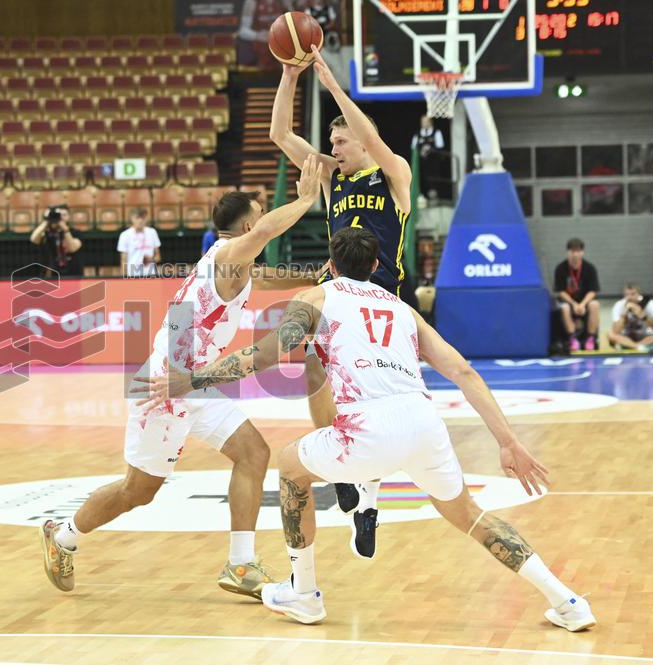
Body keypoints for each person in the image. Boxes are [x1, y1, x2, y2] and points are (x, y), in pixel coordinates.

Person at [135, 227, 596, 633]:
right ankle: (568, 602)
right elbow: (464, 372)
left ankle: (305, 593)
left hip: (367, 426)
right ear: (376, 266)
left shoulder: (316, 297)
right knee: (470, 516)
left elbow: (264, 355)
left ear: (331, 265)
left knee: (290, 466)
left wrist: (192, 378)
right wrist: (508, 442)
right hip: (423, 423)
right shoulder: (402, 308)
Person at [38, 157, 326, 599]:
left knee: (253, 453)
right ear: (248, 224)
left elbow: (265, 279)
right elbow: (267, 234)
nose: (263, 219)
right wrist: (306, 199)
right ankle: (63, 537)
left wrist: (313, 277)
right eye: (260, 212)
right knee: (138, 491)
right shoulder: (230, 253)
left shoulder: (233, 266)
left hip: (194, 383)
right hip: (166, 386)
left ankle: (240, 564)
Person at [270, 44, 417, 554]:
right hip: (337, 298)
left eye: (340, 139)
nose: (332, 147)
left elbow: (373, 138)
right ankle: (348, 475)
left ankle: (370, 504)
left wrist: (332, 84)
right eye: (330, 139)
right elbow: (280, 135)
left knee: (373, 400)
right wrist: (291, 75)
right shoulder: (332, 179)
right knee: (313, 375)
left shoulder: (393, 171)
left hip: (383, 299)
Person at [554, 238, 600, 352]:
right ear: (568, 252)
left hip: (584, 301)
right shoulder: (560, 268)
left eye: (578, 251)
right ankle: (572, 338)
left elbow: (593, 291)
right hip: (569, 302)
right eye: (572, 251)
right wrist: (574, 304)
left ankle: (591, 338)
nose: (575, 255)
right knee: (564, 308)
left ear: (582, 252)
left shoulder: (590, 268)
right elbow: (560, 291)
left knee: (595, 304)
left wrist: (583, 304)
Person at [29, 205, 84, 277]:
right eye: (59, 215)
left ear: (69, 216)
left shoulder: (75, 232)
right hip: (54, 273)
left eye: (64, 215)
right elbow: (34, 239)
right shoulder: (47, 232)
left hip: (74, 273)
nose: (61, 217)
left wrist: (65, 229)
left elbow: (72, 248)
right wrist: (47, 221)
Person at [607, 282, 653, 351]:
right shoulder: (619, 305)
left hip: (646, 337)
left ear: (638, 294)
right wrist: (624, 315)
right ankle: (638, 347)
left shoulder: (649, 304)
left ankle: (633, 347)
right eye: (627, 294)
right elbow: (616, 331)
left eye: (633, 294)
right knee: (610, 334)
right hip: (627, 338)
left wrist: (644, 317)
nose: (629, 297)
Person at [411, 115, 447, 200]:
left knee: (433, 181)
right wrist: (421, 152)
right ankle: (421, 196)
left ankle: (434, 195)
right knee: (421, 179)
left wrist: (430, 150)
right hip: (421, 164)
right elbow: (413, 148)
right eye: (423, 122)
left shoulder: (436, 132)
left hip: (433, 164)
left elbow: (440, 147)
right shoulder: (417, 134)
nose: (424, 124)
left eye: (426, 121)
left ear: (431, 122)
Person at [117, 208, 161, 277]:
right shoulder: (125, 235)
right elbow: (123, 259)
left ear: (146, 219)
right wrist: (124, 277)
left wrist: (151, 259)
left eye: (143, 218)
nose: (140, 221)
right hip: (132, 275)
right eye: (137, 218)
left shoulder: (152, 232)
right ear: (132, 218)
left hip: (150, 275)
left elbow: (158, 257)